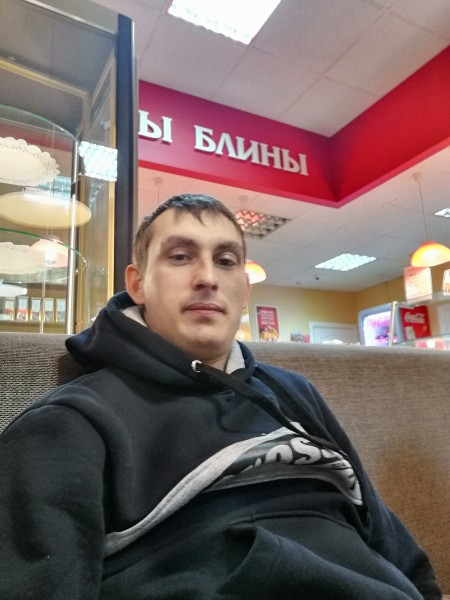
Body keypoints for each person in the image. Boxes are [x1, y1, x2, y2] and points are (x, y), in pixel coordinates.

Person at [0, 194, 442, 599]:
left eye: (226, 261)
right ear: (137, 283)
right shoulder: (69, 422)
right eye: (180, 256)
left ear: (244, 291)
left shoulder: (295, 392)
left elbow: (390, 542)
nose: (208, 278)